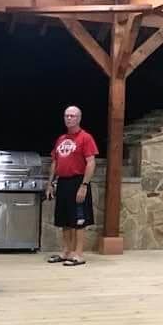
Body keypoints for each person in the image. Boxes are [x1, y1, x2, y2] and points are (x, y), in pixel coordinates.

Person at [45, 105, 97, 266]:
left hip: (78, 181)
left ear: (79, 118)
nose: (69, 118)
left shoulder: (85, 138)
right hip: (63, 182)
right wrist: (51, 183)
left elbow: (91, 162)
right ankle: (67, 251)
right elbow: (55, 162)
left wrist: (84, 185)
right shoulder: (61, 139)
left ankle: (79, 254)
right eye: (67, 116)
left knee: (79, 220)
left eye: (73, 116)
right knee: (64, 220)